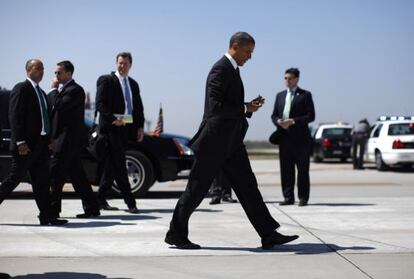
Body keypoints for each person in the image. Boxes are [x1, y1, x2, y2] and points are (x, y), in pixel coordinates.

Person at [165, 32, 299, 250]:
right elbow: (215, 107)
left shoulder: (233, 71)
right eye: (248, 52)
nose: (250, 57)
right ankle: (176, 234)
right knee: (196, 190)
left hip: (231, 143)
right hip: (214, 143)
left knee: (248, 187)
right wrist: (244, 108)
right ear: (235, 46)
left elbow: (230, 106)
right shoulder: (220, 69)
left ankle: (268, 233)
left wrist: (248, 107)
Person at [0, 59, 67, 225]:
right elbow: (14, 116)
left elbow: (45, 120)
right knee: (14, 179)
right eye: (38, 68)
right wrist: (20, 141)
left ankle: (47, 217)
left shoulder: (42, 93)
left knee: (42, 183)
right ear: (28, 70)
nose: (42, 71)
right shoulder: (21, 88)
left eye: (43, 69)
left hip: (41, 146)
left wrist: (48, 139)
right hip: (26, 146)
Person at [48, 60, 100, 219]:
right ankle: (92, 208)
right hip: (62, 142)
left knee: (56, 177)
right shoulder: (63, 89)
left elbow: (59, 105)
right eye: (55, 72)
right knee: (78, 177)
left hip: (67, 143)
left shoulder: (75, 90)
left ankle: (52, 212)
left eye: (59, 72)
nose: (56, 75)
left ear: (69, 73)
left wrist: (52, 90)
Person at [95, 52, 144, 213]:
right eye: (119, 63)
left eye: (125, 63)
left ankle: (100, 199)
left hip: (125, 129)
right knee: (120, 166)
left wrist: (140, 127)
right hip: (110, 129)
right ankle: (131, 203)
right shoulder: (106, 80)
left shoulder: (133, 84)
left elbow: (138, 107)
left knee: (111, 167)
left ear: (130, 65)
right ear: (116, 63)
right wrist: (112, 119)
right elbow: (100, 104)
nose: (122, 66)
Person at [271, 68, 315, 207]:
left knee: (302, 171)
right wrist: (278, 121)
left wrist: (293, 121)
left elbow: (311, 116)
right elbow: (274, 114)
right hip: (284, 139)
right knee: (286, 170)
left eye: (290, 78)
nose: (287, 81)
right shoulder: (280, 95)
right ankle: (288, 197)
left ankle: (303, 198)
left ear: (297, 79)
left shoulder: (305, 95)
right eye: (285, 78)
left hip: (301, 140)